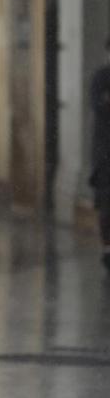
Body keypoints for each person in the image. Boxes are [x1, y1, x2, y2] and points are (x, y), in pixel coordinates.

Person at [89, 38, 110, 271]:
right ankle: (107, 248)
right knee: (106, 202)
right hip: (105, 153)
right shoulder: (101, 78)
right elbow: (100, 106)